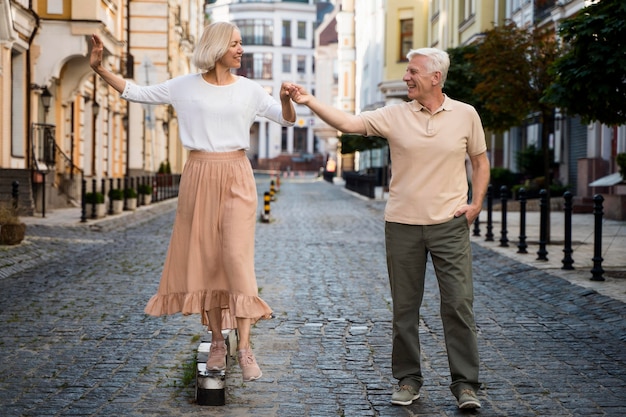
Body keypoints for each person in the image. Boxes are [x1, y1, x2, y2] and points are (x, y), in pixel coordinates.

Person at [90, 21, 296, 382]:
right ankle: (217, 342)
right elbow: (137, 92)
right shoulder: (184, 87)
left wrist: (283, 99)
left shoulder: (249, 90)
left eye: (241, 43)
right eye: (235, 43)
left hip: (236, 173)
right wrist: (99, 68)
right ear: (217, 47)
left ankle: (245, 348)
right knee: (207, 263)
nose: (241, 49)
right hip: (198, 173)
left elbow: (287, 120)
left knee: (236, 260)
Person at [287, 47, 490, 409]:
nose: (406, 77)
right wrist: (309, 101)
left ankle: (466, 385)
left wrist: (475, 204)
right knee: (405, 309)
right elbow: (349, 123)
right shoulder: (395, 115)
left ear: (435, 77)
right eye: (407, 71)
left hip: (450, 225)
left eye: (413, 72)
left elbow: (479, 160)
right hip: (403, 225)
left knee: (459, 304)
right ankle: (408, 379)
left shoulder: (465, 114)